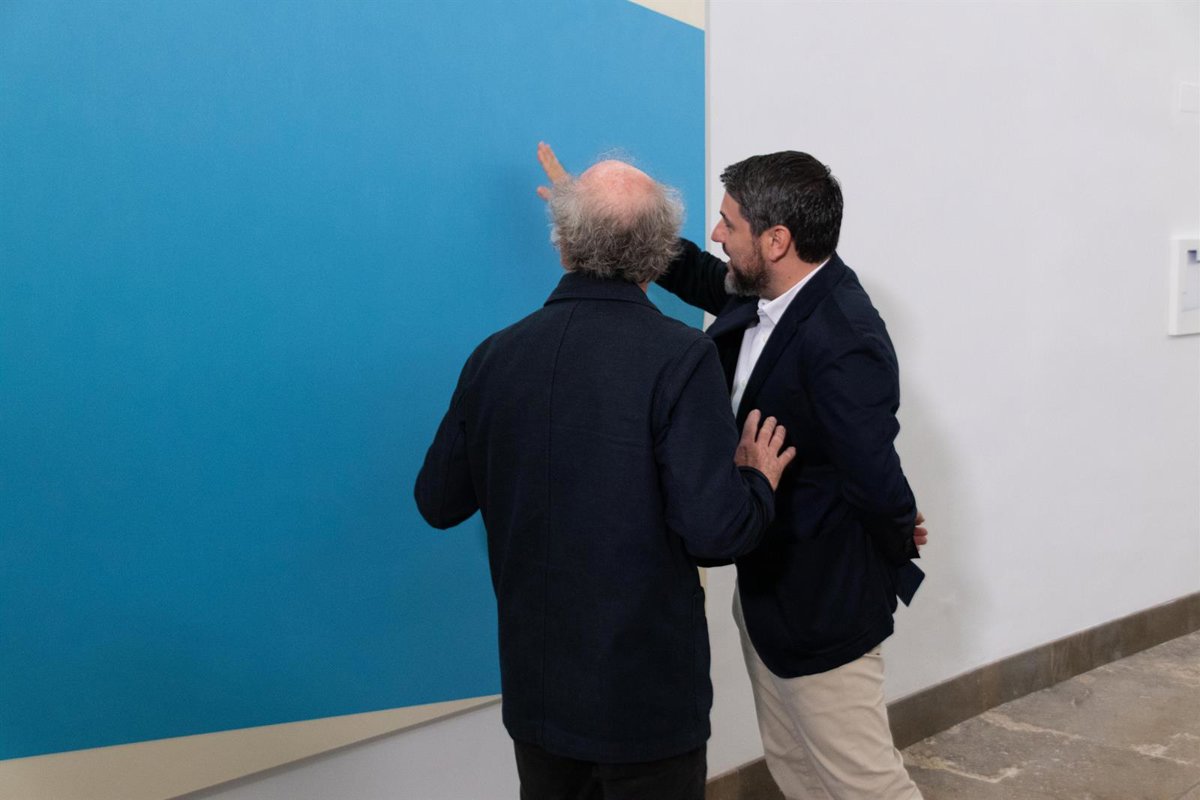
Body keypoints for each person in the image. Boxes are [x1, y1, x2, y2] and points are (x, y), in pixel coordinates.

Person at [538, 143, 928, 800]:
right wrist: (595, 218)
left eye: (729, 223)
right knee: (795, 765)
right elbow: (697, 272)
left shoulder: (844, 337)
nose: (717, 235)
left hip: (823, 611)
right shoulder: (763, 291)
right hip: (767, 593)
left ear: (776, 241)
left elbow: (875, 473)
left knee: (866, 785)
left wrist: (897, 533)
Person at [415, 158, 797, 800]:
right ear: (658, 255)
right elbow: (716, 535)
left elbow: (437, 501)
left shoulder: (495, 356)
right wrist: (758, 480)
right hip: (647, 705)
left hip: (538, 696)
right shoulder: (682, 357)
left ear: (562, 244)